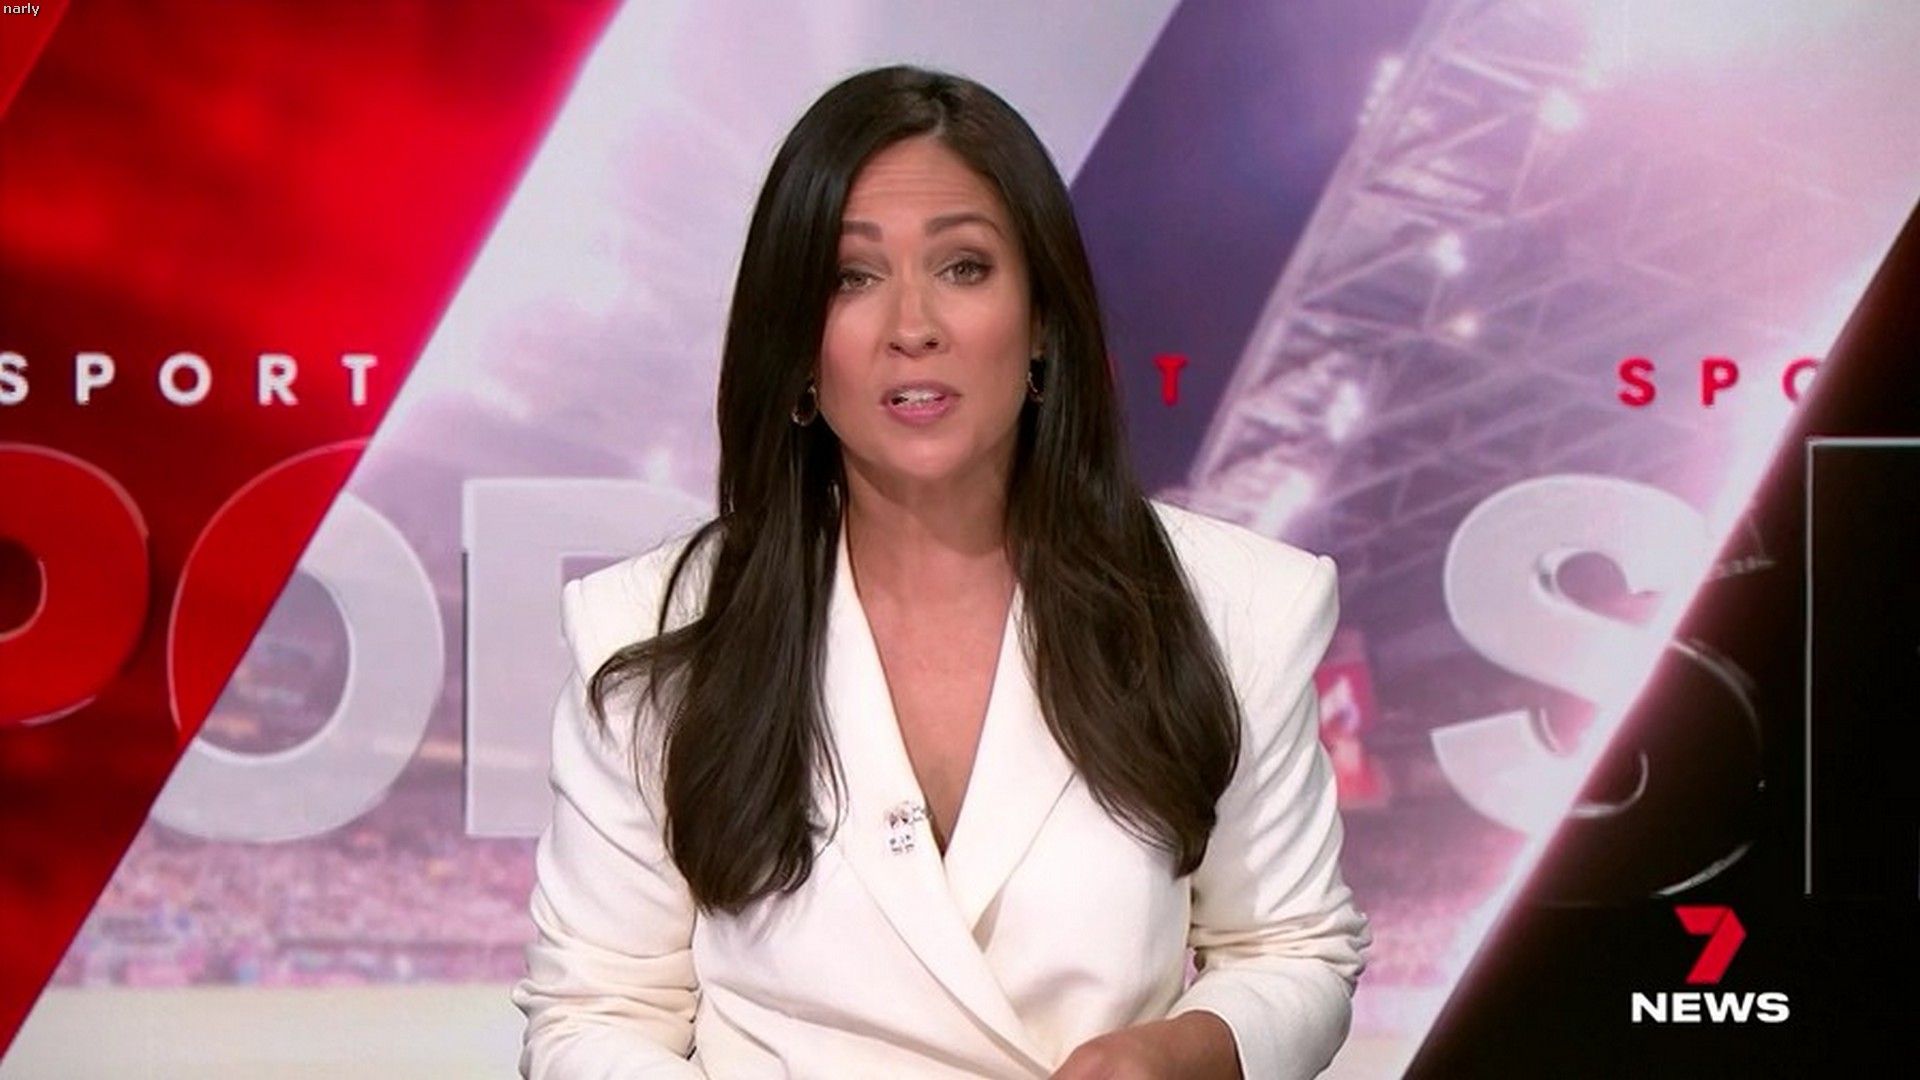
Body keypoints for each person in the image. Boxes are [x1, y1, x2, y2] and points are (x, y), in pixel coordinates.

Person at [512, 64, 1369, 1079]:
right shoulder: (650, 632)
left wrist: (1175, 1055)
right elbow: (595, 1012)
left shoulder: (1235, 607)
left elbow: (1292, 947)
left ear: (1041, 321)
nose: (912, 325)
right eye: (852, 277)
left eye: (964, 267)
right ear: (797, 348)